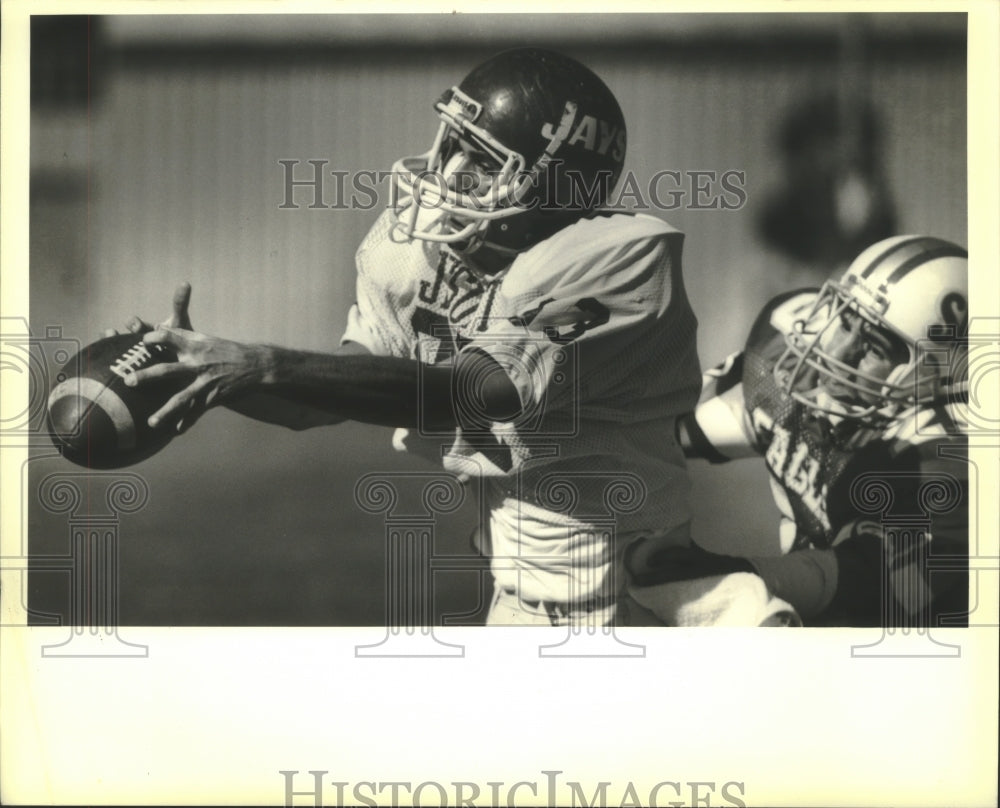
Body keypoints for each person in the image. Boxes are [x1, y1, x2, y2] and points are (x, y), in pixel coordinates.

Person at [118, 49, 703, 627]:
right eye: (453, 144)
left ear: (551, 185)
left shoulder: (617, 260)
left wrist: (262, 363)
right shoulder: (421, 255)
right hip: (520, 598)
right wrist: (202, 372)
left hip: (636, 596)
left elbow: (474, 390)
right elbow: (319, 400)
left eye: (480, 159)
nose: (446, 171)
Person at [625, 235, 970, 627]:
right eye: (844, 319)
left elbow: (870, 589)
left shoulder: (948, 461)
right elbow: (655, 432)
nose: (836, 352)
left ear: (933, 378)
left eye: (872, 347)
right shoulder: (789, 356)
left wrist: (737, 574)